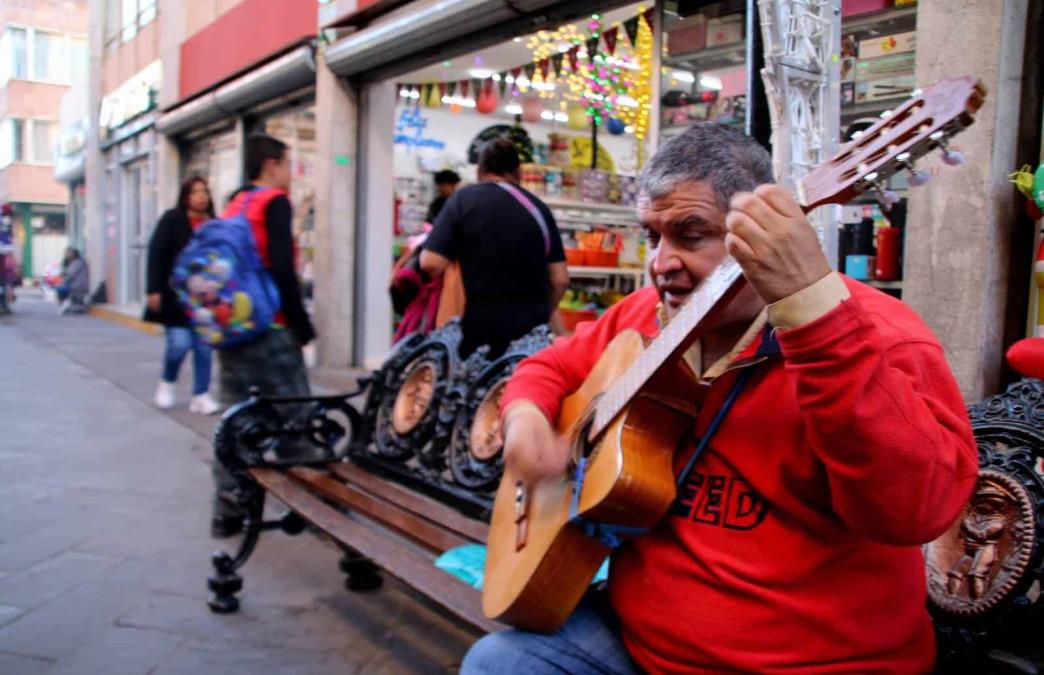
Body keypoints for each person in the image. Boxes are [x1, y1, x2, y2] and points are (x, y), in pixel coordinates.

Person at [462, 123, 979, 674]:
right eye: (652, 236)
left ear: (758, 233)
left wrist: (815, 318)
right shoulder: (646, 316)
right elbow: (550, 364)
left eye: (690, 234)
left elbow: (915, 513)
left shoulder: (879, 333)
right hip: (636, 640)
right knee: (500, 662)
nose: (661, 263)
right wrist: (524, 419)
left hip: (818, 663)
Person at [210, 133, 316, 538]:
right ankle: (308, 506)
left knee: (235, 422)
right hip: (270, 330)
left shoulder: (236, 202)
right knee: (297, 420)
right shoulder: (274, 202)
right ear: (271, 164)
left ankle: (228, 510)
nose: (290, 174)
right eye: (287, 165)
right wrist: (300, 325)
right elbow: (283, 272)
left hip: (233, 330)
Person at [420, 139, 568, 356]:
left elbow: (430, 263)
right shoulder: (539, 209)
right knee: (521, 388)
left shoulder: (462, 200)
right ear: (518, 172)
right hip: (529, 338)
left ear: (479, 170)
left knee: (473, 388)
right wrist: (543, 314)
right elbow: (560, 279)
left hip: (476, 332)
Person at [145, 176, 219, 415]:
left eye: (204, 192)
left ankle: (200, 394)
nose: (201, 196)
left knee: (204, 348)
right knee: (179, 343)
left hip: (206, 299)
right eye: (196, 192)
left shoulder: (214, 224)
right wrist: (153, 289)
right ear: (186, 196)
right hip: (176, 296)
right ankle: (167, 382)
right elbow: (157, 253)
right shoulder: (172, 219)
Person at [56, 247, 88, 314]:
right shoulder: (73, 262)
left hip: (77, 286)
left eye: (68, 254)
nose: (66, 255)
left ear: (72, 255)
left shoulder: (77, 262)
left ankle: (65, 305)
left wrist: (62, 283)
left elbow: (70, 275)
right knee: (60, 288)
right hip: (75, 285)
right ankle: (66, 305)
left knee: (61, 289)